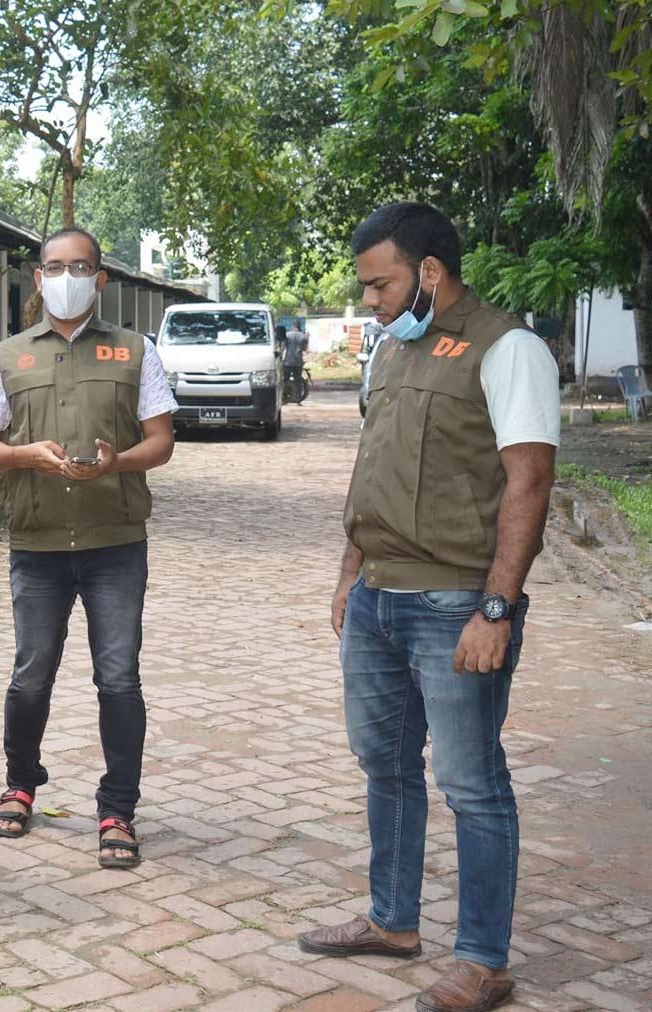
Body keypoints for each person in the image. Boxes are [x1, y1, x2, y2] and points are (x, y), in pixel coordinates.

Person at [300, 202, 558, 1012]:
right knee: (385, 764)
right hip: (378, 595)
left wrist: (497, 609)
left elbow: (530, 480)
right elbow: (370, 469)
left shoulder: (509, 348)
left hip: (455, 604)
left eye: (380, 283)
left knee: (471, 782)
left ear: (431, 273)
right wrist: (350, 571)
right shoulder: (390, 349)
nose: (370, 300)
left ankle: (483, 959)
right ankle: (393, 921)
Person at [0, 228, 177, 870]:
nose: (68, 277)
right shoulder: (6, 357)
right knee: (30, 675)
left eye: (82, 267)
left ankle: (118, 808)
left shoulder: (134, 351)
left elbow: (161, 441)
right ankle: (20, 784)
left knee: (118, 678)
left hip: (115, 544)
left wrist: (116, 462)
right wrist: (23, 457)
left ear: (101, 278)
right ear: (37, 279)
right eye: (56, 267)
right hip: (36, 545)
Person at [283, 322, 307, 400]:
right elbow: (304, 349)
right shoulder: (304, 336)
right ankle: (298, 397)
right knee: (298, 380)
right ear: (299, 327)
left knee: (285, 379)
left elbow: (284, 346)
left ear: (293, 326)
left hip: (288, 360)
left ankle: (284, 396)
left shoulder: (287, 335)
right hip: (298, 361)